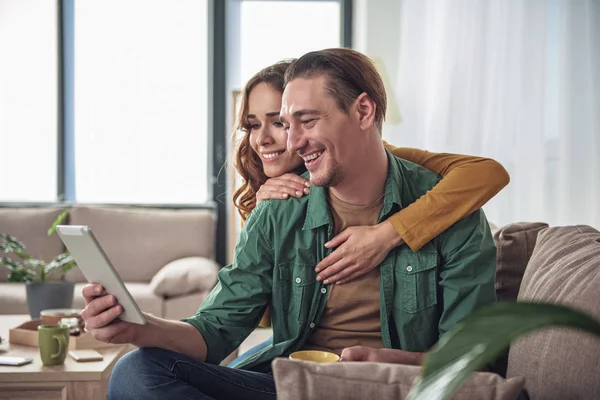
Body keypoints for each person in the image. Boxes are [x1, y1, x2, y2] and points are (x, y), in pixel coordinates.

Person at [82, 48, 498, 400]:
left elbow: (475, 358)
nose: (291, 141)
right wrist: (139, 327)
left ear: (364, 111)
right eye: (287, 122)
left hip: (392, 387)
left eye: (306, 120)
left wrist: (387, 362)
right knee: (136, 371)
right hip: (288, 386)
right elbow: (216, 331)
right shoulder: (279, 207)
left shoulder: (448, 209)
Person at [227, 59, 508, 364]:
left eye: (281, 122)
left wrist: (386, 234)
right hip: (292, 353)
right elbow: (259, 317)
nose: (264, 139)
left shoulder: (382, 162)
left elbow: (487, 172)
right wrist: (260, 211)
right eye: (253, 124)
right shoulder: (275, 199)